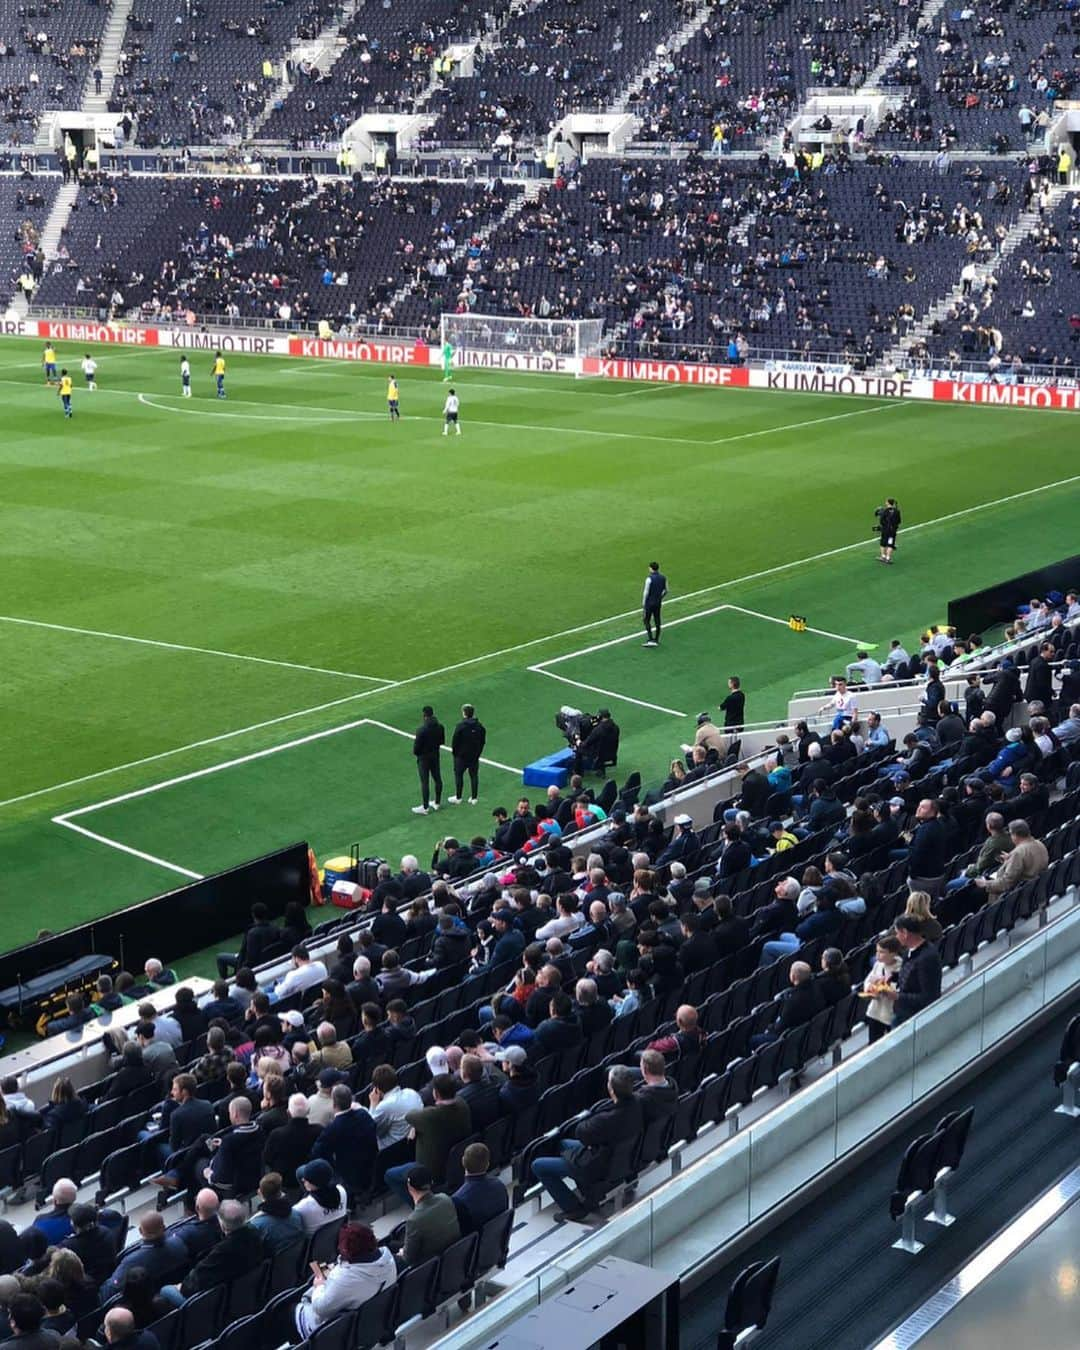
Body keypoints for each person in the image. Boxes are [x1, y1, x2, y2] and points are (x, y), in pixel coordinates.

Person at [530, 1066, 643, 1221]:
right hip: (613, 1156)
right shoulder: (638, 1103)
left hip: (598, 1165)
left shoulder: (605, 1119)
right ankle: (589, 1193)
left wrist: (594, 1116)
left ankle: (573, 1207)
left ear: (611, 1090)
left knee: (538, 1165)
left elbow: (581, 1132)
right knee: (563, 1144)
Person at [294, 1222, 397, 1339]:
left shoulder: (345, 1281)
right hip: (370, 1320)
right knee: (322, 1269)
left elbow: (320, 1308)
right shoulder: (389, 1260)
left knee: (286, 1308)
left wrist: (319, 1286)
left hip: (335, 1329)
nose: (339, 1248)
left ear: (347, 1249)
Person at [384, 1075, 471, 1206]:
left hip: (430, 1169)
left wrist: (416, 1126)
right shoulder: (462, 1104)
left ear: (435, 1093)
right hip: (455, 1163)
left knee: (390, 1175)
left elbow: (409, 1116)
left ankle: (421, 1205)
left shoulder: (431, 1116)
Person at [159, 1200, 263, 1306]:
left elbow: (196, 1282)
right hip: (246, 1289)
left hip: (214, 1301)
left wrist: (180, 1287)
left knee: (165, 1289)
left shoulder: (223, 1250)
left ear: (222, 1224)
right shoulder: (254, 1232)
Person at [311, 1084, 377, 1200]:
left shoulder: (333, 1128)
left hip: (349, 1176)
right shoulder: (364, 1115)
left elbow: (317, 1151)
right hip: (371, 1168)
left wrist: (333, 1163)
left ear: (333, 1104)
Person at [883, 916, 942, 1025]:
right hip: (903, 1013)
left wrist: (897, 996)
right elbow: (911, 976)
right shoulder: (909, 951)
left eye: (897, 933)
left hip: (914, 1019)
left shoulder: (927, 958)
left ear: (905, 933)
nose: (896, 937)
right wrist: (892, 976)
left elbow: (928, 997)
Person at [398, 1166, 460, 1266]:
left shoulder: (414, 1220)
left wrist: (402, 1253)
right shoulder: (446, 1199)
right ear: (431, 1183)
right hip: (452, 1257)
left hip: (428, 1265)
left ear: (410, 1187)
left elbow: (408, 1258)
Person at [451, 1143, 509, 1235]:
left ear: (463, 1162)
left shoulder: (457, 1200)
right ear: (488, 1164)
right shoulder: (500, 1186)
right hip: (496, 1244)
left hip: (478, 1247)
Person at [862, 935, 904, 1042]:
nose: (877, 955)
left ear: (893, 953)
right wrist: (870, 987)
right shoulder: (878, 965)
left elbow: (898, 990)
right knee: (873, 1042)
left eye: (882, 952)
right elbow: (868, 980)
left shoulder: (901, 968)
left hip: (890, 1012)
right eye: (877, 951)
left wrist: (885, 988)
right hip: (875, 1012)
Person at [293, 1159, 349, 1235]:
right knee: (300, 1170)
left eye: (307, 1180)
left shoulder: (301, 1208)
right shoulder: (342, 1190)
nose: (303, 1180)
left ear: (312, 1184)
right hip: (337, 1236)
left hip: (312, 1243)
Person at [448, 704, 486, 804]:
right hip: (474, 756)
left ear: (464, 713)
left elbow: (455, 741)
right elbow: (482, 741)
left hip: (461, 756)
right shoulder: (479, 726)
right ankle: (474, 798)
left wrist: (455, 753)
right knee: (474, 775)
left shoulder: (460, 726)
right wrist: (478, 753)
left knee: (459, 775)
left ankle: (458, 797)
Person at [412, 705, 445, 815]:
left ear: (424, 715)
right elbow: (441, 741)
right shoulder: (440, 727)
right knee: (437, 778)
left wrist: (419, 754)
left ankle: (425, 807)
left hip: (423, 758)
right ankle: (437, 802)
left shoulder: (421, 730)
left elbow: (416, 748)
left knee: (425, 782)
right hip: (435, 756)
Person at [572, 710, 620, 776]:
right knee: (602, 746)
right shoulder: (616, 727)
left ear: (600, 717)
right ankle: (600, 771)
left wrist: (578, 741)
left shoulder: (598, 730)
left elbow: (586, 744)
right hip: (612, 754)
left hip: (599, 755)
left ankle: (578, 773)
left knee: (578, 749)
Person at [642, 561, 667, 648]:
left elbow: (646, 592)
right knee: (657, 620)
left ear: (651, 568)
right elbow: (666, 590)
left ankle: (650, 639)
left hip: (649, 603)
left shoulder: (649, 579)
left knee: (646, 620)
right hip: (657, 602)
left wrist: (643, 602)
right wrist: (660, 598)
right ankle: (656, 639)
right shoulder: (663, 578)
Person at [877, 496, 901, 564]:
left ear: (888, 503)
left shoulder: (885, 511)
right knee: (890, 544)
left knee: (883, 543)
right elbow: (899, 521)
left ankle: (883, 556)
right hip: (892, 531)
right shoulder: (897, 511)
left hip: (885, 530)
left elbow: (881, 521)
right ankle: (888, 558)